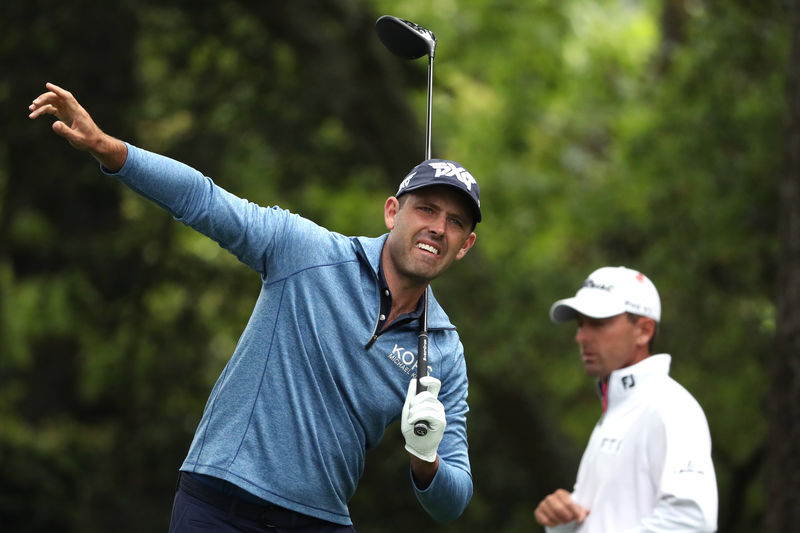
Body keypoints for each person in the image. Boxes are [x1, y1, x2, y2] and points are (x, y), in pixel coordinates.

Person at [29, 82, 481, 532]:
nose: (438, 228)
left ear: (465, 246)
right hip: (222, 502)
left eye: (455, 222)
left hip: (319, 520)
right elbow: (202, 200)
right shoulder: (307, 252)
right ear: (391, 212)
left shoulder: (442, 350)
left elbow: (452, 499)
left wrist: (427, 459)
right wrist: (108, 148)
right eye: (425, 209)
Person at [533, 266, 718, 532]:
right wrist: (562, 520)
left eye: (598, 323)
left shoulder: (671, 406)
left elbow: (692, 521)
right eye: (580, 324)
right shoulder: (620, 408)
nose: (581, 337)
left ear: (644, 330)